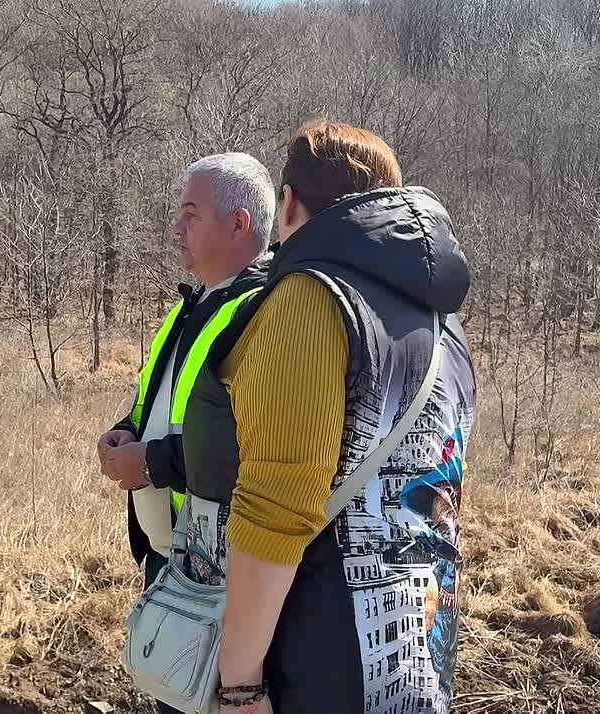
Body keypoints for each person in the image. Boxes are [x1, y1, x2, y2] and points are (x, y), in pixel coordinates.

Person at [176, 121, 476, 714]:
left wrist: (240, 685)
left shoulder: (311, 300)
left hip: (319, 649)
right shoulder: (445, 324)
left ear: (287, 204)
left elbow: (279, 504)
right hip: (423, 635)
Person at [97, 153, 273, 713]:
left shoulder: (263, 314)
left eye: (192, 214)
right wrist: (126, 432)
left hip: (217, 570)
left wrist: (152, 464)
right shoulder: (195, 304)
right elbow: (157, 398)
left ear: (240, 223)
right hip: (173, 558)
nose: (178, 228)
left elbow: (249, 445)